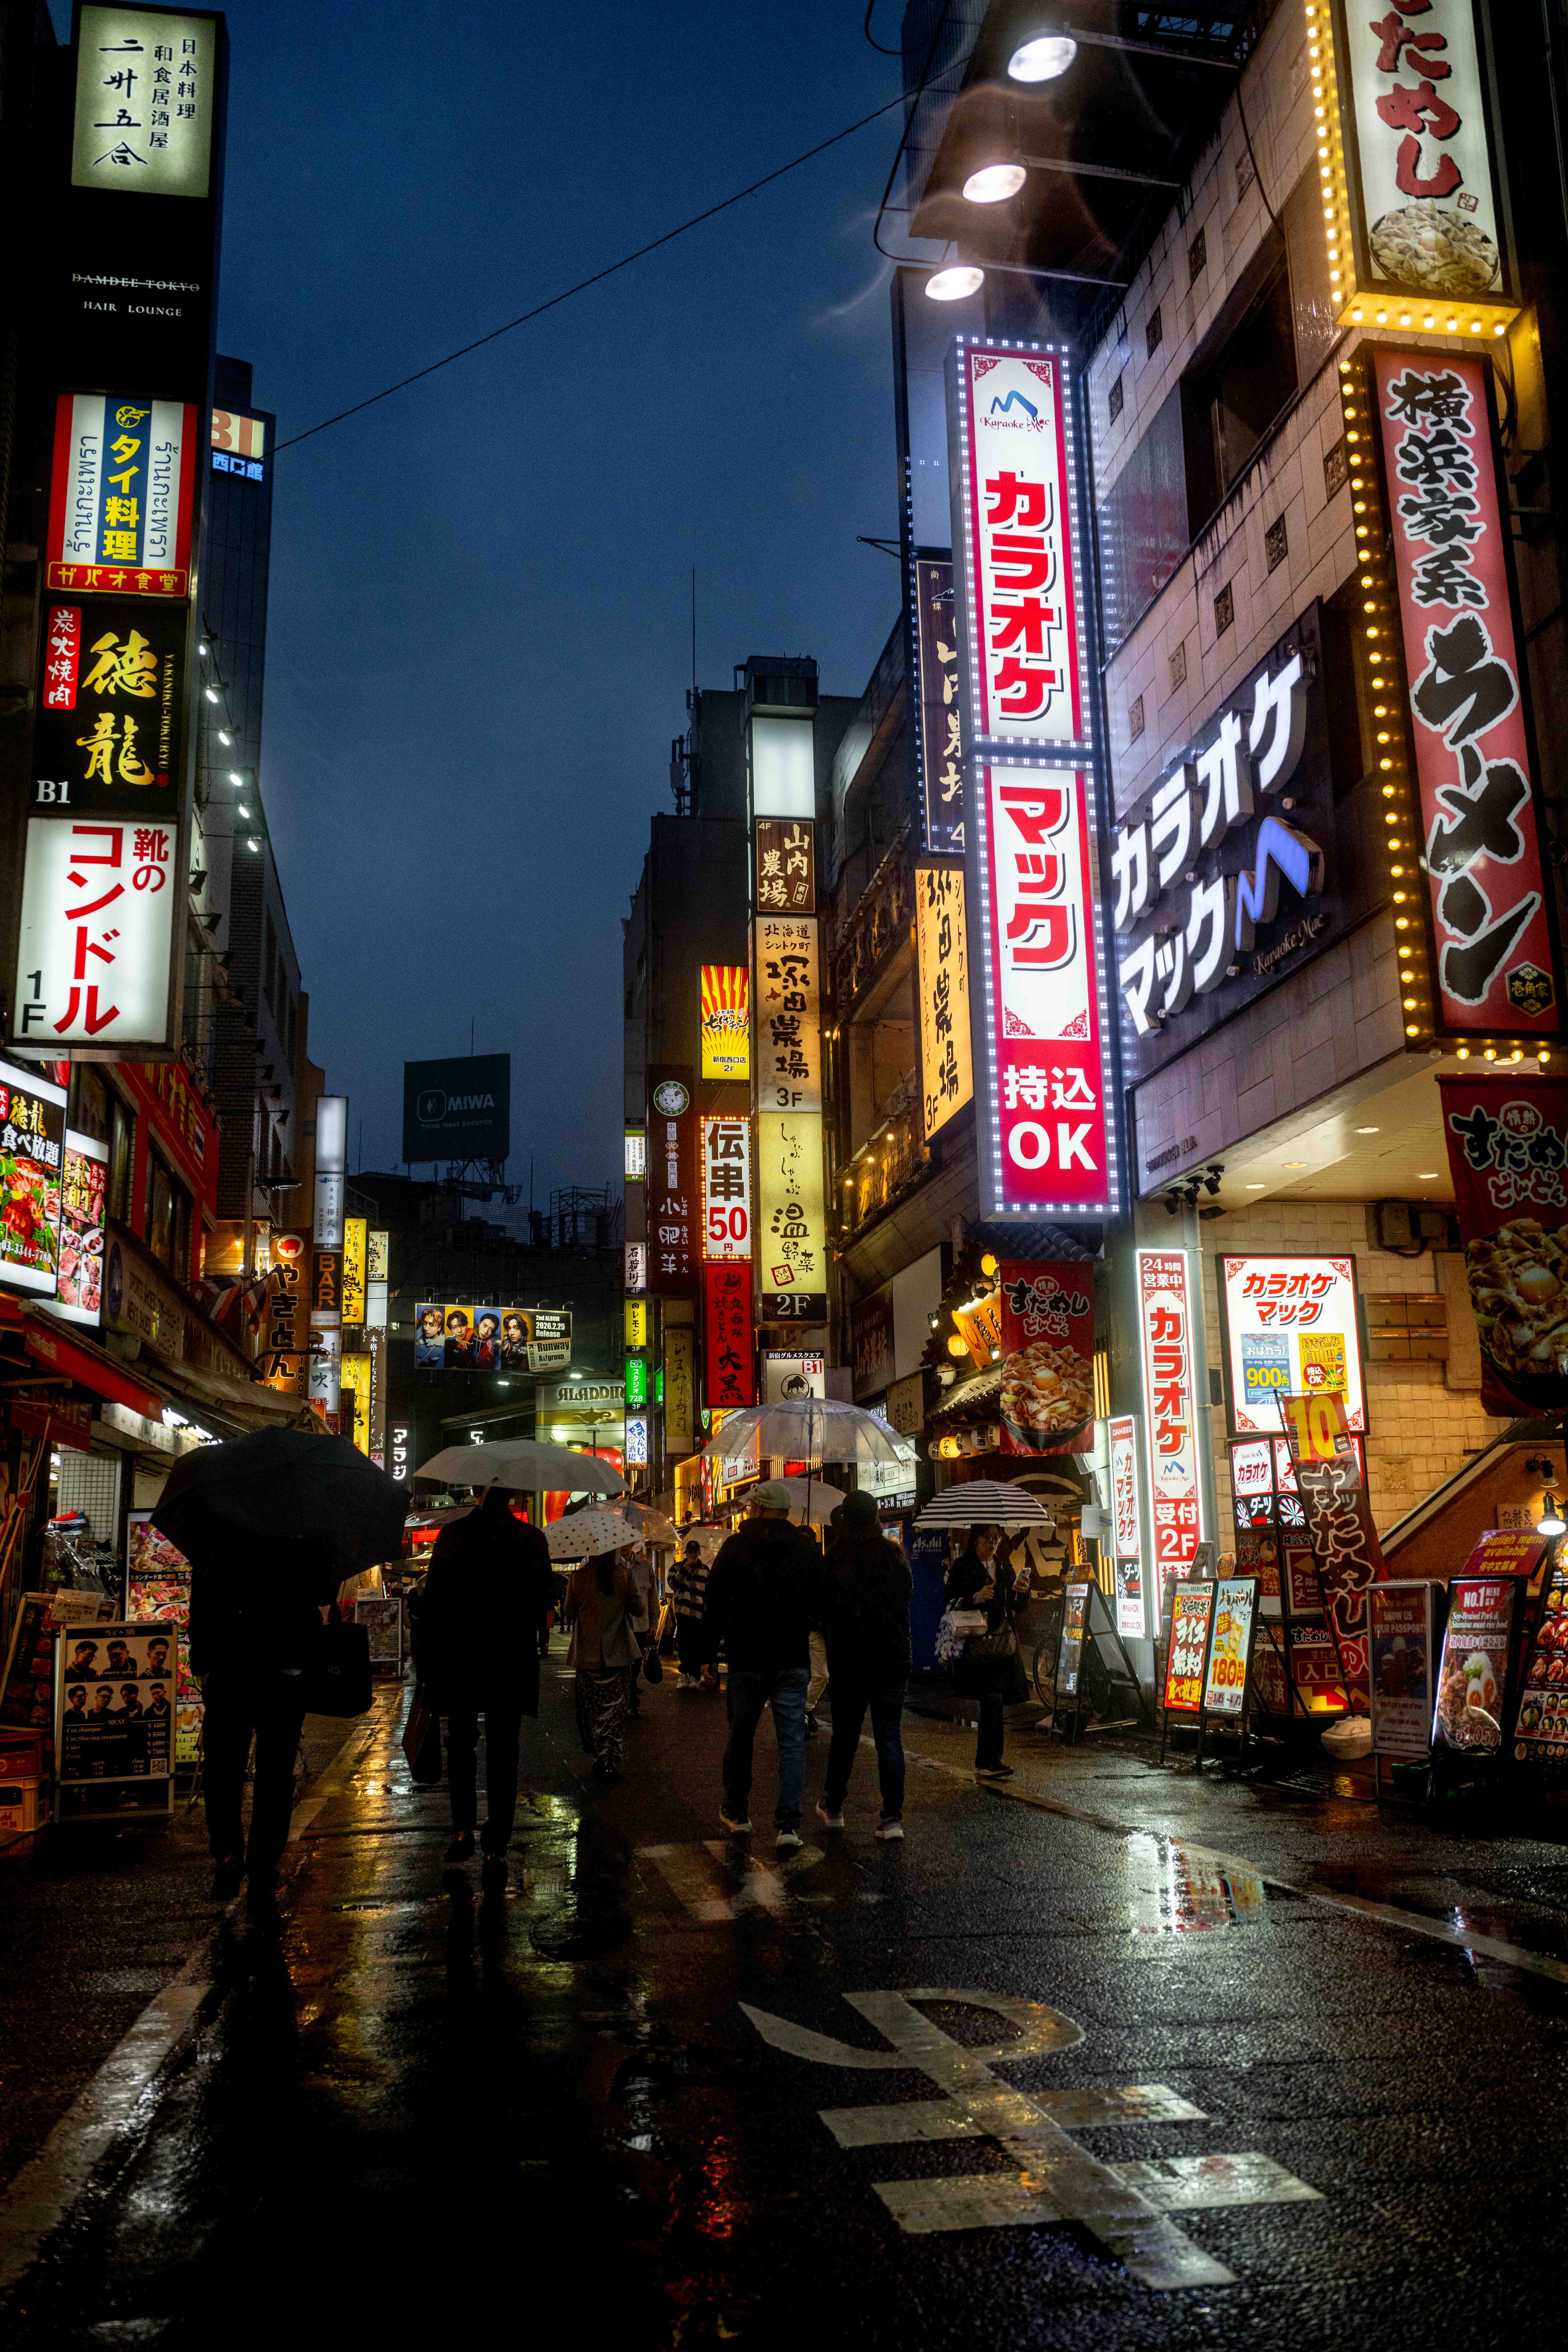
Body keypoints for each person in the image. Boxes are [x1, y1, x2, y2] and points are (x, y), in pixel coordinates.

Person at [191, 1537, 340, 1917]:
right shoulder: (303, 1532)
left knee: (224, 1768)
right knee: (274, 1772)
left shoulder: (221, 1530)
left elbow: (203, 1594)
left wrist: (203, 1662)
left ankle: (227, 1857)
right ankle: (262, 1871)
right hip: (284, 1665)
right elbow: (324, 1589)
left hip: (229, 1664)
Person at [414, 1484, 555, 1884]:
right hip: (509, 1655)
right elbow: (544, 1596)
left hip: (460, 1654)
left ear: (476, 1490)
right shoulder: (530, 1538)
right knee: (503, 1746)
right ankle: (497, 1838)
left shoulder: (453, 1535)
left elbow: (434, 1601)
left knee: (461, 1742)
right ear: (512, 1494)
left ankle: (462, 1828)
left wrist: (429, 1661)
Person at [701, 1481, 818, 1850]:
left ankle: (737, 1812)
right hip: (792, 1658)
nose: (748, 1511)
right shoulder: (805, 1548)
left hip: (748, 1658)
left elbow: (715, 1601)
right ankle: (789, 1825)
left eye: (752, 1507)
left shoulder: (737, 1547)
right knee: (792, 1743)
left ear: (761, 1509)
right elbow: (821, 1599)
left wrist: (707, 1654)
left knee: (742, 1736)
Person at [814, 1491, 912, 1840]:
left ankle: (835, 1806)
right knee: (890, 1737)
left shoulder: (835, 1561)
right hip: (892, 1659)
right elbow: (905, 1603)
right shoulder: (895, 1558)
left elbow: (822, 1611)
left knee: (846, 1736)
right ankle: (892, 1819)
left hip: (851, 1662)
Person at [945, 1524, 1020, 1779]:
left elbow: (1016, 1608)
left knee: (994, 1700)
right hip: (976, 1644)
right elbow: (949, 1603)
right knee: (992, 1699)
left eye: (997, 1539)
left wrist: (1024, 1593)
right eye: (988, 1539)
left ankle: (988, 1760)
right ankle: (991, 1760)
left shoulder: (1004, 1569)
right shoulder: (962, 1568)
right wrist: (976, 1597)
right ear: (976, 1540)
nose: (993, 1544)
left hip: (999, 1644)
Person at [565, 1546, 645, 1781]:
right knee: (614, 1711)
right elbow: (639, 1609)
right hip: (618, 1654)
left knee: (592, 1709)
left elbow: (569, 1612)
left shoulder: (578, 1578)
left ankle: (599, 1755)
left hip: (587, 1656)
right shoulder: (624, 1575)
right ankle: (610, 1756)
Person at [667, 1538, 712, 1688]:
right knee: (684, 1644)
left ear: (699, 1554)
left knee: (696, 1645)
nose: (693, 1556)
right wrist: (685, 1570)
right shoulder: (676, 1568)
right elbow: (674, 1585)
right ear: (686, 1554)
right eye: (691, 1553)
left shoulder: (706, 1570)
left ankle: (694, 1675)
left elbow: (710, 1592)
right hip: (683, 1612)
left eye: (695, 1553)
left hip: (699, 1614)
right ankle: (684, 1674)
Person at [623, 1544, 657, 1718]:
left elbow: (652, 1596)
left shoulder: (645, 1567)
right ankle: (630, 1700)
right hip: (619, 1626)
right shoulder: (613, 1567)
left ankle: (630, 1691)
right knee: (623, 1663)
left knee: (636, 1662)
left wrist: (654, 1623)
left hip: (640, 1624)